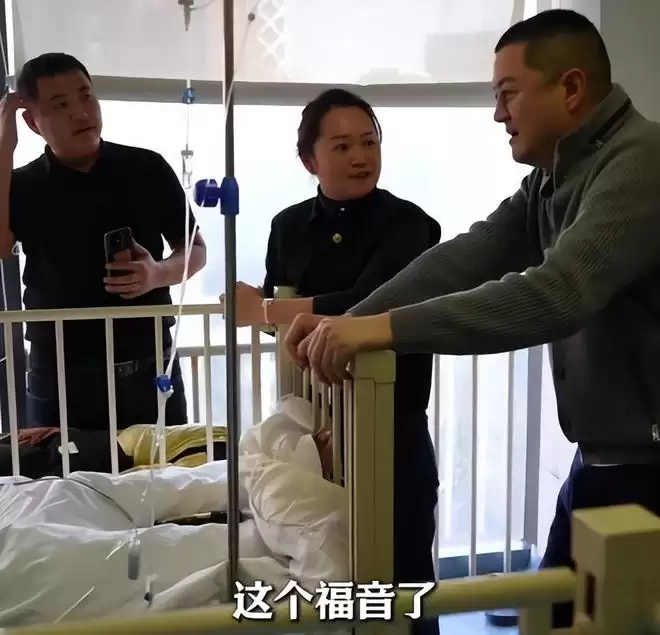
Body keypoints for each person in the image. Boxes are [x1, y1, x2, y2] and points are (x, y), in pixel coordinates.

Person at [284, 9, 660, 629]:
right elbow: (472, 254)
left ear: (570, 88)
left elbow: (558, 294)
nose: (497, 114)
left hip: (645, 467)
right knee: (554, 612)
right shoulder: (555, 177)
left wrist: (381, 331)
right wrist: (350, 319)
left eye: (508, 94)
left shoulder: (640, 163)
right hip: (604, 459)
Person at [226, 89, 442, 635]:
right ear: (310, 160)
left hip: (392, 428)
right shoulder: (288, 226)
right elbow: (283, 321)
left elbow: (368, 302)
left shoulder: (410, 225)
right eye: (342, 146)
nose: (361, 157)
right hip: (315, 432)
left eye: (369, 143)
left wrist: (266, 308)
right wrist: (264, 310)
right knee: (333, 575)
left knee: (405, 583)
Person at [0, 53, 206, 431]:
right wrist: (4, 148)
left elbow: (195, 249)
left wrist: (157, 274)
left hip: (149, 366)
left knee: (167, 466)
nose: (81, 113)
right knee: (58, 469)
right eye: (60, 105)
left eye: (86, 97)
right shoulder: (23, 184)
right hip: (57, 377)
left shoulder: (146, 167)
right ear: (31, 121)